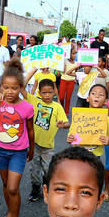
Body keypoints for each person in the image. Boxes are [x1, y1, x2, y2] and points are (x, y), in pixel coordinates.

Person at [0, 59, 35, 217]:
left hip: (19, 152)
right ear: (1, 86)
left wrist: (31, 148)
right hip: (2, 150)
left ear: (21, 88)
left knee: (13, 187)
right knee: (5, 184)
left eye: (14, 88)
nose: (10, 92)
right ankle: (10, 212)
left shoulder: (27, 107)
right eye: (6, 87)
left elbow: (30, 131)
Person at [24, 70, 69, 202]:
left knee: (47, 169)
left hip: (48, 147)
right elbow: (22, 87)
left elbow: (67, 123)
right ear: (39, 92)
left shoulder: (57, 107)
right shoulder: (34, 101)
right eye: (44, 92)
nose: (48, 95)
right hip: (34, 145)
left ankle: (46, 185)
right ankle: (35, 189)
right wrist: (33, 71)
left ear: (54, 92)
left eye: (50, 92)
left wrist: (63, 124)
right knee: (34, 169)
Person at [66, 84, 109, 157]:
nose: (97, 96)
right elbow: (71, 134)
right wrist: (70, 138)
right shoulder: (78, 117)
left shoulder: (108, 121)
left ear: (105, 102)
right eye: (93, 94)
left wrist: (108, 141)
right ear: (88, 98)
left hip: (95, 156)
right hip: (77, 154)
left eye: (101, 95)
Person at [59, 45, 78, 114]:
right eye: (73, 53)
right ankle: (61, 110)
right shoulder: (65, 61)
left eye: (75, 53)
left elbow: (76, 72)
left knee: (68, 98)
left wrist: (75, 79)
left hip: (71, 81)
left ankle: (66, 112)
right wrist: (63, 60)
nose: (74, 55)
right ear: (69, 53)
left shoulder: (76, 63)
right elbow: (63, 71)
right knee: (61, 97)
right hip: (63, 80)